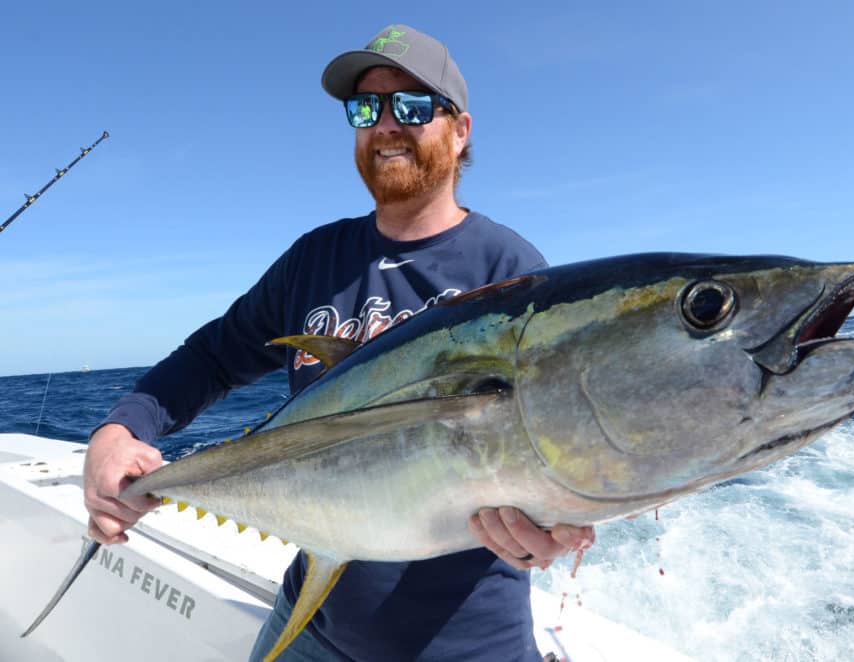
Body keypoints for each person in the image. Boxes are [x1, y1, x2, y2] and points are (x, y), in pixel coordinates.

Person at [83, 24, 595, 662]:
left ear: (460, 130)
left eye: (411, 105)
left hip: (465, 646)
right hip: (310, 623)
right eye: (365, 108)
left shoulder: (510, 271)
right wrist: (120, 429)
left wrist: (547, 523)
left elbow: (553, 437)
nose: (385, 125)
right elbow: (214, 355)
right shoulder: (316, 259)